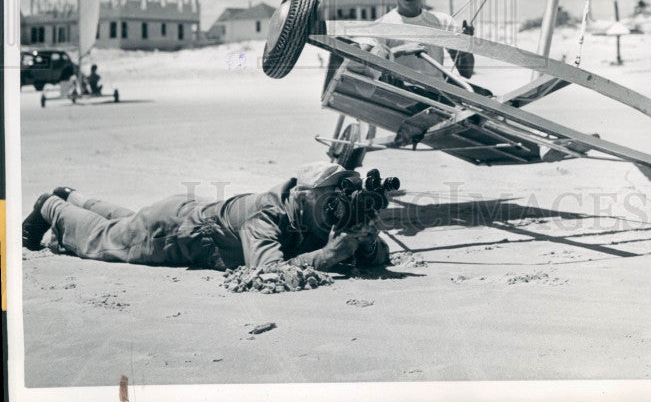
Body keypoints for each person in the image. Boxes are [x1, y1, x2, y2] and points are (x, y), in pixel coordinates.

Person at [21, 162, 389, 272]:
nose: (337, 207)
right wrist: (328, 255)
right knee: (104, 241)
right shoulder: (267, 214)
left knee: (125, 222)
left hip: (185, 212)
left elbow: (370, 258)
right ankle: (51, 206)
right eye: (331, 196)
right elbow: (267, 270)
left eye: (343, 196)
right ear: (304, 195)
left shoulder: (313, 218)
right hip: (174, 230)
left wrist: (366, 241)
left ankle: (74, 197)